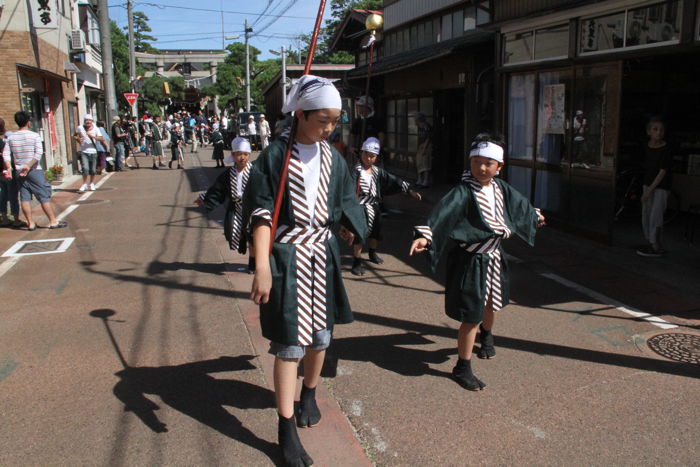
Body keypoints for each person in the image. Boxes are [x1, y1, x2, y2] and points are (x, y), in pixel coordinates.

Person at [244, 75, 367, 467]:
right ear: (300, 113)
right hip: (287, 255)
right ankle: (284, 429)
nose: (329, 128)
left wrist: (353, 228)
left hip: (323, 254)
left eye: (335, 121)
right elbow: (262, 213)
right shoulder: (275, 156)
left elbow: (345, 197)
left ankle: (309, 392)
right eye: (322, 120)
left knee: (320, 336)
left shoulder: (333, 155)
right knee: (289, 345)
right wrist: (262, 264)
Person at [410, 134, 545, 391]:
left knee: (492, 305)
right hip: (471, 258)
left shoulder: (501, 188)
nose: (481, 168)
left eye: (488, 163)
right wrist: (425, 236)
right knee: (471, 314)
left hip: (494, 256)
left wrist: (535, 216)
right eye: (476, 162)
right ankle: (462, 366)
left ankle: (487, 335)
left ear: (499, 166)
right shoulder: (463, 192)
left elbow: (521, 207)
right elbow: (441, 214)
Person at [350, 137, 422, 276]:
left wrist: (409, 190)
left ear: (376, 157)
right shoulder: (355, 171)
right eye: (366, 154)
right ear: (361, 153)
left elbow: (394, 180)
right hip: (360, 207)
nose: (369, 158)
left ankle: (372, 253)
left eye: (372, 156)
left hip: (375, 205)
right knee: (359, 235)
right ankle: (357, 261)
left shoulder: (378, 171)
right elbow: (349, 190)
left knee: (375, 233)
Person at [196, 137, 255, 272]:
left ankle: (253, 263)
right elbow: (217, 190)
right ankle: (246, 252)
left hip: (252, 209)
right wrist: (205, 198)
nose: (243, 158)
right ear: (233, 155)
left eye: (245, 154)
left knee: (253, 237)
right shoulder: (227, 174)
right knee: (235, 233)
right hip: (236, 209)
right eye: (239, 154)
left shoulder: (255, 171)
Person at [2, 111, 67, 230]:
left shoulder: (11, 138)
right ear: (28, 122)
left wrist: (9, 167)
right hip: (34, 170)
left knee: (24, 197)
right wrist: (28, 165)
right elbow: (38, 154)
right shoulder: (34, 136)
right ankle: (53, 221)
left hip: (18, 171)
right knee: (43, 195)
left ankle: (30, 223)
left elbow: (6, 154)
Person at [636, 117, 672, 257]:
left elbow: (663, 171)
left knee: (656, 216)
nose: (659, 132)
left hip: (661, 186)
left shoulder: (666, 149)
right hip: (647, 183)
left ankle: (656, 245)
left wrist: (650, 190)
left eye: (661, 130)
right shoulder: (646, 146)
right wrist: (646, 188)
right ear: (649, 132)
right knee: (646, 214)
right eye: (655, 129)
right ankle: (650, 241)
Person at [74, 114, 105, 193]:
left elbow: (101, 138)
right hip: (84, 151)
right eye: (86, 120)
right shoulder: (80, 127)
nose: (87, 122)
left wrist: (93, 137)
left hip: (93, 151)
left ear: (92, 121)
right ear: (84, 121)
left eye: (89, 120)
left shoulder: (96, 128)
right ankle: (84, 184)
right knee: (85, 168)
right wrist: (78, 139)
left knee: (93, 169)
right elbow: (74, 135)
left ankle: (91, 183)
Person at [0, 117, 22, 228]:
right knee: (12, 194)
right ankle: (16, 218)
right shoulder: (6, 139)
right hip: (8, 170)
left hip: (0, 172)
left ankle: (4, 218)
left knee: (3, 194)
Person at [349, 95, 385, 160]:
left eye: (360, 106)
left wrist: (378, 150)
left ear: (367, 107)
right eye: (358, 106)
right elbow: (353, 134)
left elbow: (381, 135)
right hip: (360, 152)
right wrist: (352, 146)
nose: (358, 108)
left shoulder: (376, 120)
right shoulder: (358, 121)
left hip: (372, 153)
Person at [414, 112, 433, 187]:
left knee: (425, 163)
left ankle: (425, 181)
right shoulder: (420, 127)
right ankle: (419, 180)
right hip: (421, 146)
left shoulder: (426, 126)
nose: (415, 121)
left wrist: (424, 148)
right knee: (419, 163)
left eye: (415, 120)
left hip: (427, 146)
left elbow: (428, 138)